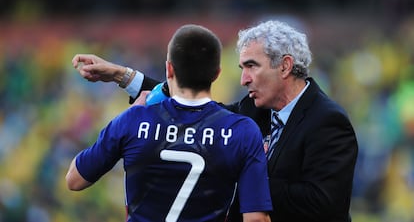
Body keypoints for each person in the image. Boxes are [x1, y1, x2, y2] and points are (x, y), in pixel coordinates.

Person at [72, 20, 358, 222]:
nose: (244, 78)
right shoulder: (255, 107)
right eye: (241, 68)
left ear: (284, 66)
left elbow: (324, 203)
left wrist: (248, 172)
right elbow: (197, 107)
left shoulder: (327, 121)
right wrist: (125, 77)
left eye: (251, 67)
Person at [66, 24, 272, 222]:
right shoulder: (242, 131)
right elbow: (256, 218)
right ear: (216, 73)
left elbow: (74, 180)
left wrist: (128, 116)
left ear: (169, 70)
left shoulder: (133, 120)